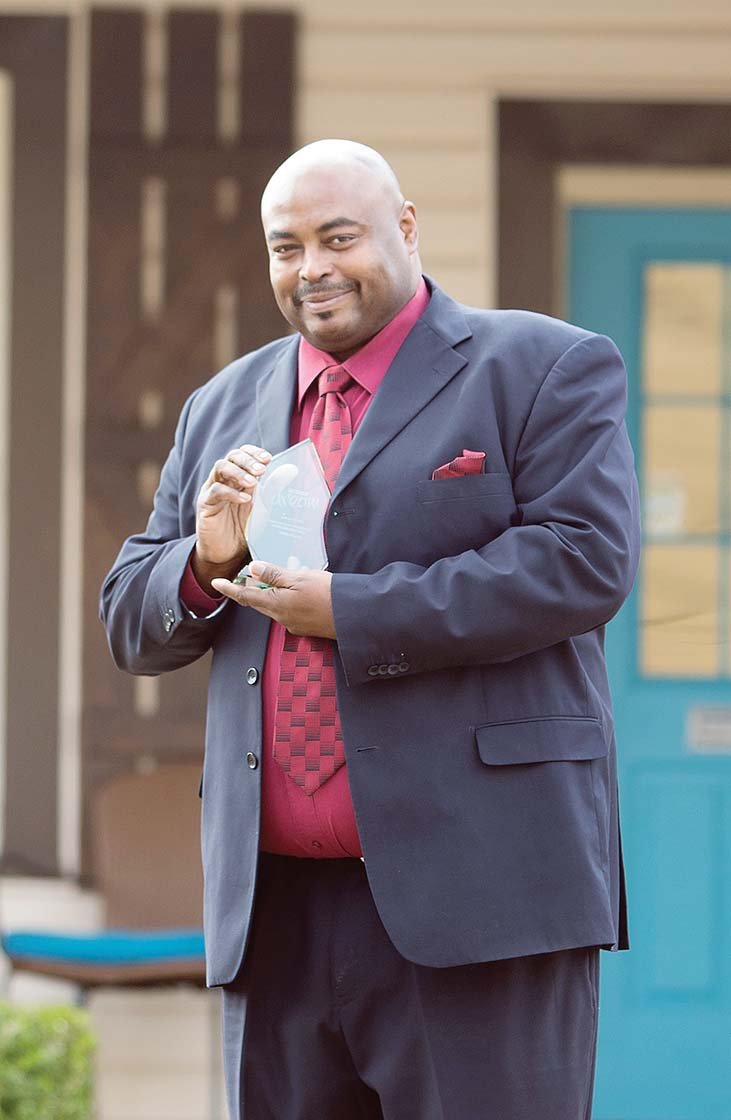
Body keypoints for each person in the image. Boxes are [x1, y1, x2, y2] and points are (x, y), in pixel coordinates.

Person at [101, 138, 640, 1120]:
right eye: (284, 246)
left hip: (483, 899)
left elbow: (581, 561)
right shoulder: (222, 405)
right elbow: (130, 618)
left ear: (403, 228)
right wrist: (203, 563)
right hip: (274, 915)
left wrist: (349, 610)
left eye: (336, 237)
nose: (310, 267)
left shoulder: (542, 366)